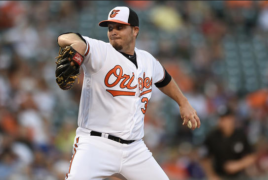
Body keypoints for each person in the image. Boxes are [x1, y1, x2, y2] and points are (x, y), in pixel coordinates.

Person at [56, 6, 201, 180]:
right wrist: (78, 45)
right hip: (96, 145)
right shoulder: (99, 50)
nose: (113, 32)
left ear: (135, 30)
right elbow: (64, 38)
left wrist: (183, 102)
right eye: (110, 28)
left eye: (119, 27)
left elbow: (165, 79)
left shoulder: (148, 60)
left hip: (135, 149)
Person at [200, 105, 256, 180]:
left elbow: (252, 155)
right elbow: (204, 158)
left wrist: (238, 165)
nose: (223, 122)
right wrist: (211, 175)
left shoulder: (240, 135)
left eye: (226, 118)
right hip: (219, 176)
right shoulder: (212, 137)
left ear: (232, 118)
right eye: (221, 119)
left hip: (239, 176)